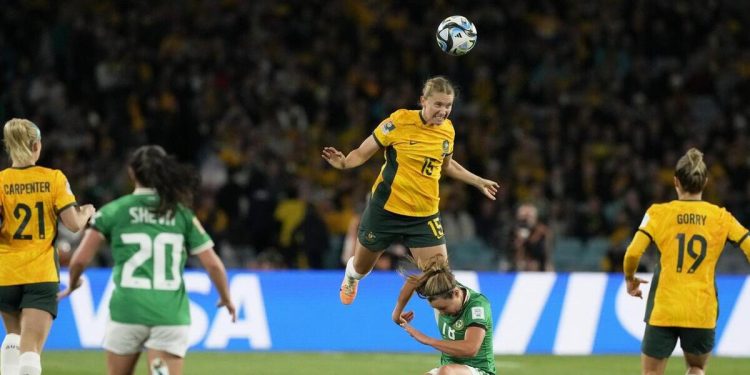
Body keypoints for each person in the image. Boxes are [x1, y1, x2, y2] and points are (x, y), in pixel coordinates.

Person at [58, 145, 236, 375]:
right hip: (169, 315)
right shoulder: (181, 214)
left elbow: (79, 261)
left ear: (132, 173)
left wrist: (72, 284)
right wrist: (226, 297)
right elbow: (213, 264)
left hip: (127, 312)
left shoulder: (113, 211)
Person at [321, 76, 499, 305]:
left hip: (423, 215)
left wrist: (477, 180)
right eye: (438, 104)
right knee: (361, 268)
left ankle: (449, 330)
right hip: (385, 210)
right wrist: (345, 163)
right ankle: (351, 277)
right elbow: (362, 152)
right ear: (423, 101)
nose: (443, 111)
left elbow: (446, 166)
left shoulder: (447, 131)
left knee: (440, 279)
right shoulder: (399, 121)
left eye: (448, 106)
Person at [623, 148, 750, 375]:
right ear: (705, 182)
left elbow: (632, 253)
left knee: (651, 373)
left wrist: (630, 279)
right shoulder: (721, 217)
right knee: (696, 368)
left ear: (675, 182)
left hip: (665, 308)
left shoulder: (658, 213)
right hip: (701, 309)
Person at [0, 118, 96, 375]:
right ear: (36, 146)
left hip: (6, 271)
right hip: (40, 272)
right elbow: (74, 224)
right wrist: (86, 211)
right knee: (30, 347)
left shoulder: (1, 181)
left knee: (12, 336)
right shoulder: (53, 178)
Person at [395, 255, 496, 375]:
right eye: (437, 309)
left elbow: (470, 349)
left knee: (446, 371)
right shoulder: (443, 285)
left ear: (457, 293)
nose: (442, 313)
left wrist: (428, 340)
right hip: (449, 368)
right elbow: (412, 282)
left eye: (443, 308)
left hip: (479, 371)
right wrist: (396, 315)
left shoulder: (477, 306)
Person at [511, 203, 552, 271]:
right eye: (524, 215)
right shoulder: (516, 228)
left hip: (538, 260)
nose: (526, 218)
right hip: (521, 261)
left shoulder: (541, 229)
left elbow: (547, 243)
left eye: (529, 215)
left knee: (543, 266)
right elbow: (518, 246)